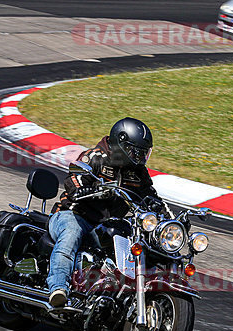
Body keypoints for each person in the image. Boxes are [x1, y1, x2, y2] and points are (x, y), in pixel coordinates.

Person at [47, 117, 159, 307]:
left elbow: (151, 195)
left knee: (141, 242)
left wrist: (163, 212)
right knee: (71, 235)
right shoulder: (95, 157)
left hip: (107, 224)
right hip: (74, 215)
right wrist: (81, 189)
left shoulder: (138, 172)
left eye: (143, 153)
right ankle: (58, 288)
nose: (139, 158)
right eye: (135, 152)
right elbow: (75, 176)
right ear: (121, 144)